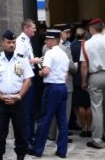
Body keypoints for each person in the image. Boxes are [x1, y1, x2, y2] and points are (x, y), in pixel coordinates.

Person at [0, 30, 33, 160]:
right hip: (2, 101)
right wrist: (0, 95)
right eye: (9, 42)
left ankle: (20, 157)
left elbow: (28, 80)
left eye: (13, 42)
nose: (11, 45)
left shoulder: (22, 60)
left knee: (21, 132)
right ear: (3, 43)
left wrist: (19, 96)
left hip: (18, 101)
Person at [79, 18, 105, 150]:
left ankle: (97, 140)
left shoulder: (86, 44)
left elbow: (84, 66)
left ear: (92, 29)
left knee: (96, 108)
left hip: (95, 76)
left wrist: (84, 81)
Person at [31, 28, 70, 158]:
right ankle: (62, 150)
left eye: (47, 39)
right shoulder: (63, 53)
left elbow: (46, 71)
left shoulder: (49, 53)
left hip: (52, 88)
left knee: (45, 119)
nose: (46, 41)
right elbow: (65, 74)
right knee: (62, 121)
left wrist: (40, 73)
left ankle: (37, 149)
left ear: (54, 40)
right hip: (62, 87)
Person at [16, 19, 41, 146]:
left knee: (31, 111)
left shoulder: (27, 40)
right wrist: (33, 61)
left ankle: (30, 137)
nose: (35, 30)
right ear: (26, 28)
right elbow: (18, 61)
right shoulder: (20, 42)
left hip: (30, 76)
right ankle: (26, 140)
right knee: (27, 111)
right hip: (25, 78)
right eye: (33, 28)